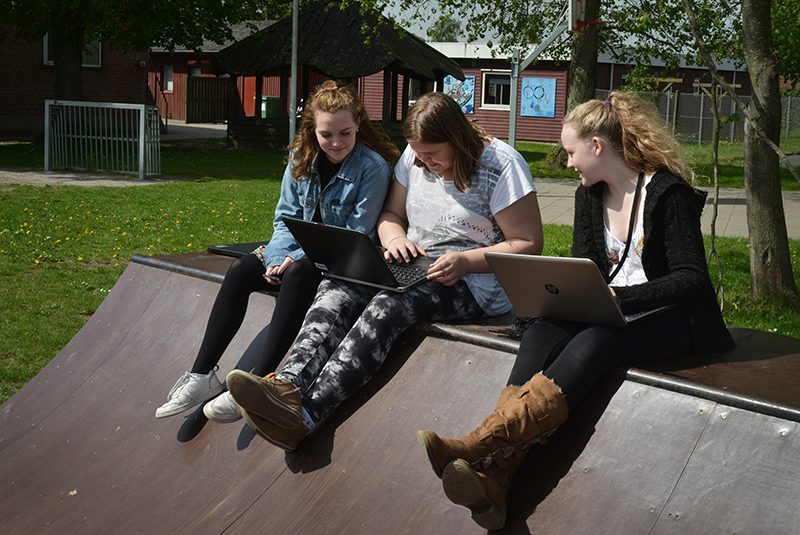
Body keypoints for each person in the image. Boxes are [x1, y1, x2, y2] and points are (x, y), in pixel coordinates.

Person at [416, 91, 735, 530]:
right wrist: (566, 296)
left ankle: (476, 445)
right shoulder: (590, 195)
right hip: (612, 307)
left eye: (570, 152)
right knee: (542, 330)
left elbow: (692, 279)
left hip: (673, 317)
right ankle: (496, 477)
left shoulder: (669, 193)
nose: (568, 164)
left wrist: (620, 300)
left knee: (596, 341)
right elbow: (587, 265)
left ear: (597, 147)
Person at [225, 91, 545, 452]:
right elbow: (391, 216)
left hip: (473, 281)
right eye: (418, 155)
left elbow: (528, 243)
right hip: (413, 262)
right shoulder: (414, 155)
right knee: (338, 283)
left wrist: (466, 261)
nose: (424, 163)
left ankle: (306, 415)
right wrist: (393, 238)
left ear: (456, 139)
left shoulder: (500, 165)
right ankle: (286, 387)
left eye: (433, 155)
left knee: (389, 306)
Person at [155, 80, 399, 422]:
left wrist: (294, 258)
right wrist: (274, 258)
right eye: (326, 134)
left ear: (358, 122)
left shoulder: (372, 168)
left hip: (340, 260)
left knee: (299, 274)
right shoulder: (301, 157)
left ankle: (258, 380)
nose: (336, 142)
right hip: (293, 251)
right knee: (242, 269)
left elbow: (354, 234)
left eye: (345, 133)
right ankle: (201, 374)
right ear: (312, 129)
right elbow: (285, 217)